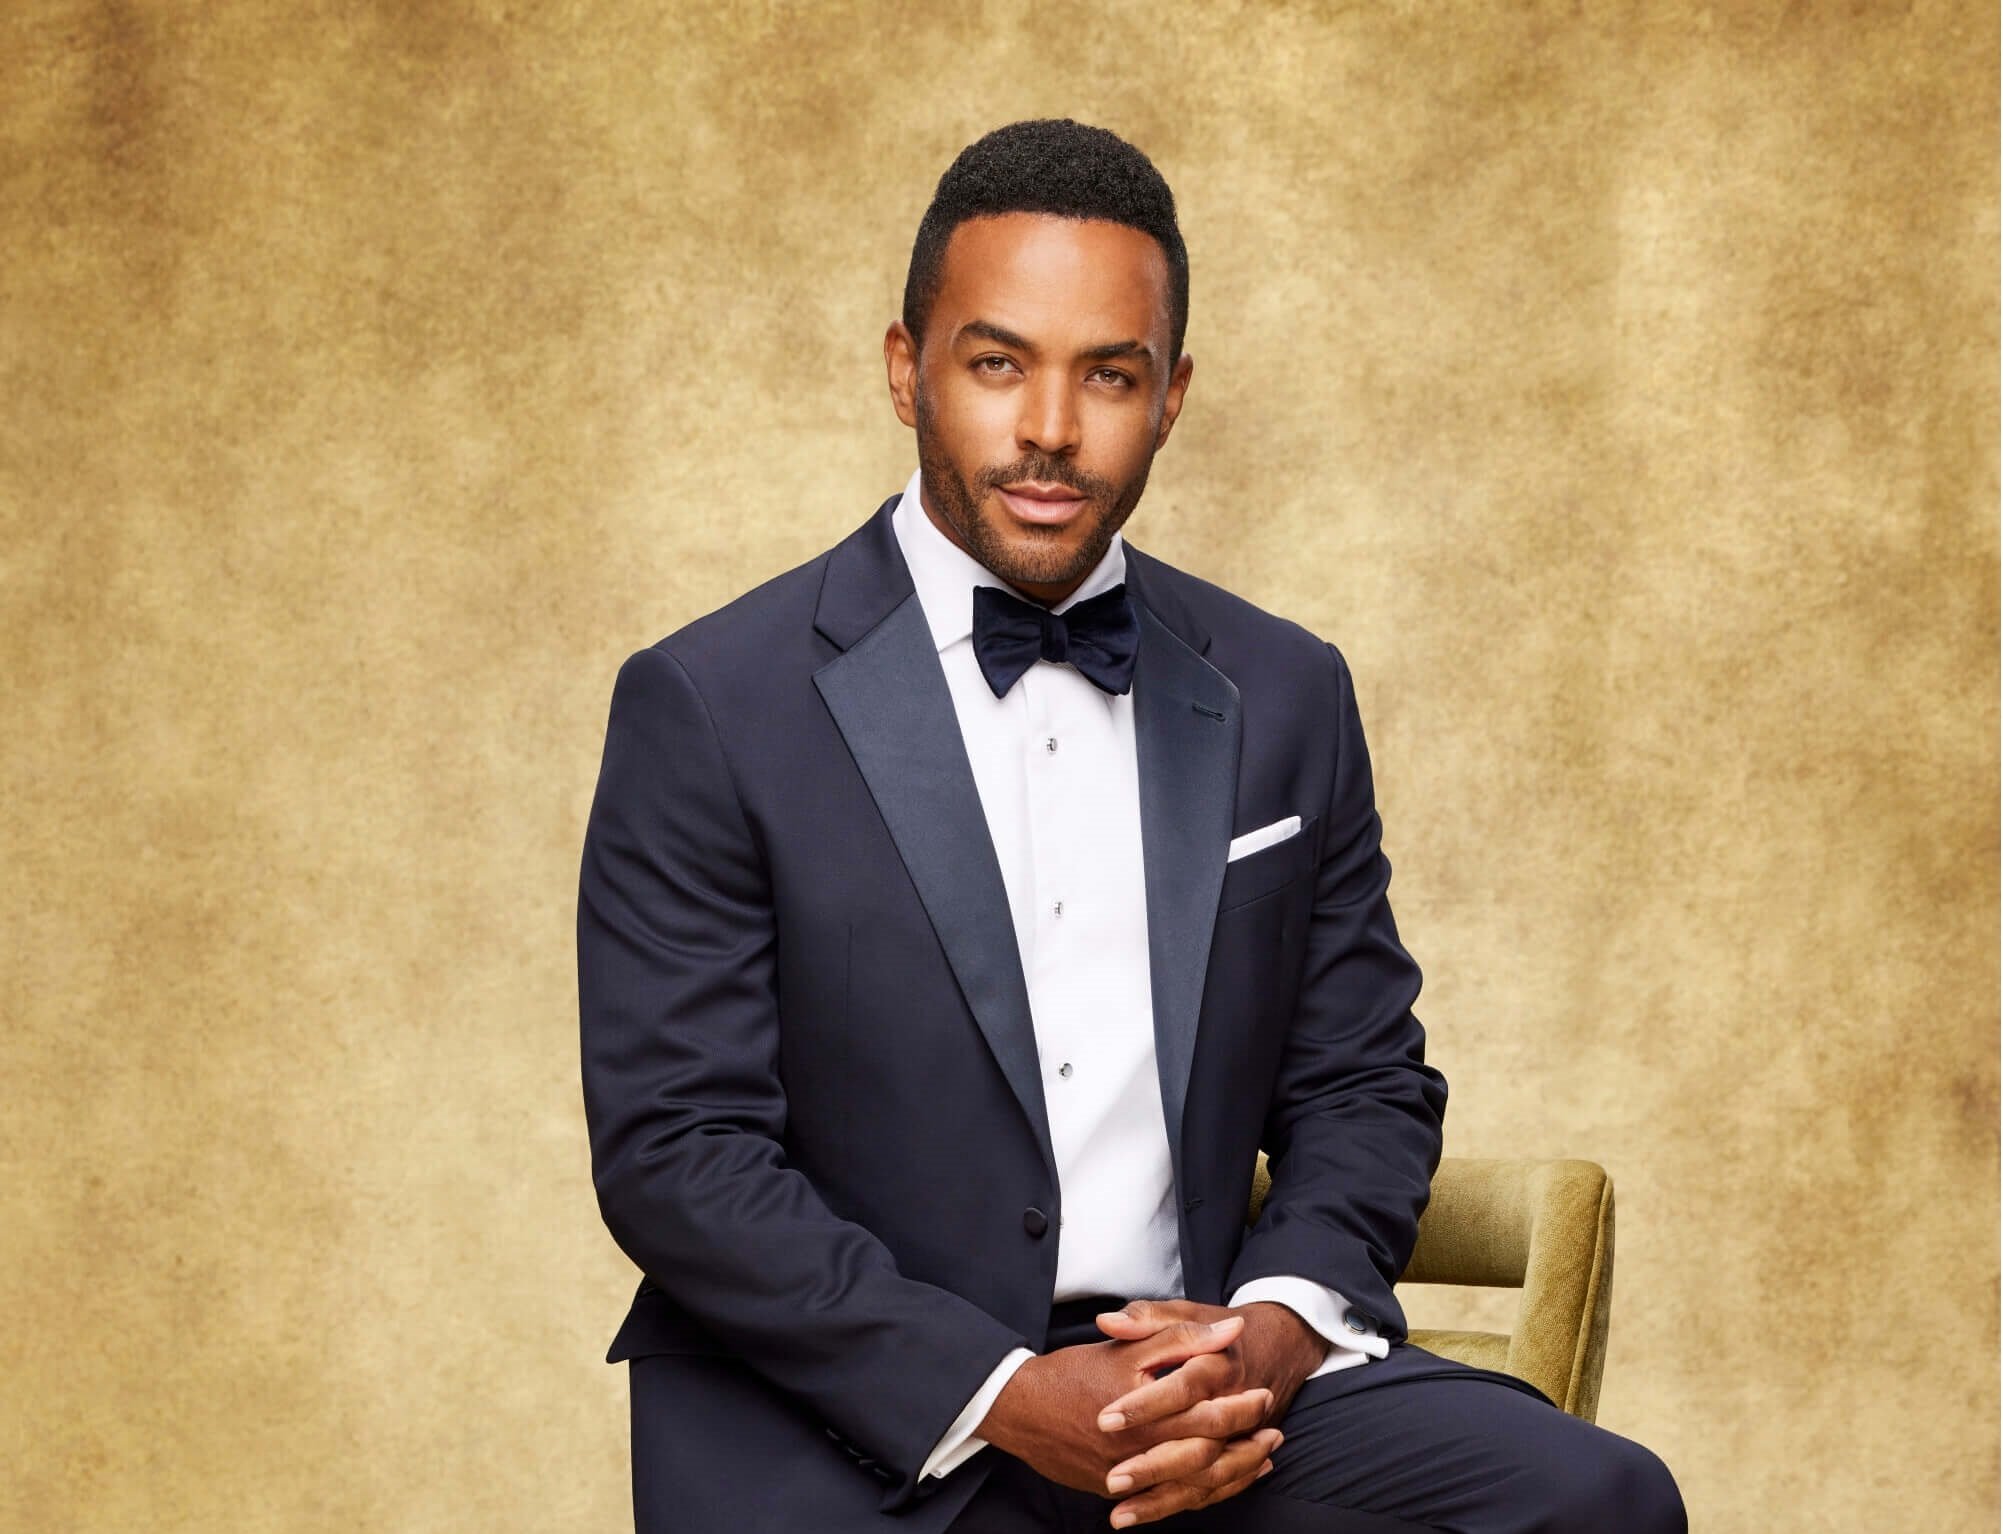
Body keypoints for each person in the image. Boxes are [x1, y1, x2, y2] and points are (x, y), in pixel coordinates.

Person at [577, 117, 1685, 1534]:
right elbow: (682, 1151)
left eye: (1109, 373)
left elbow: (1363, 1083)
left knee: (1596, 1501)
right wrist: (998, 1390)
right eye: (998, 362)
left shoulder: (1283, 691)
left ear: (1170, 397)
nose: (1051, 426)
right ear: (907, 368)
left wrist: (1270, 1336)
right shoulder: (713, 703)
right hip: (856, 1410)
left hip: (1203, 1384)